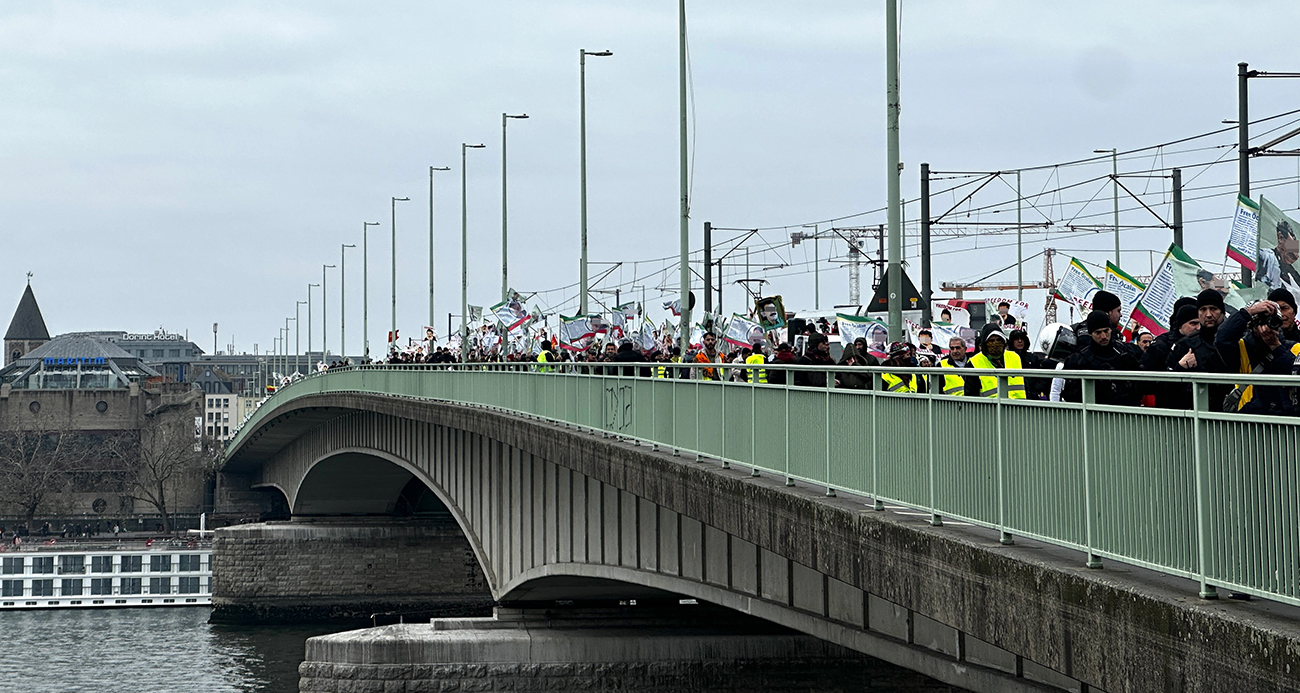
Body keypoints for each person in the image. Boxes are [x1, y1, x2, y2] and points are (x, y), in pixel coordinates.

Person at [1216, 299, 1300, 415]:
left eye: (1271, 321)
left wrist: (1276, 347)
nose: (1266, 328)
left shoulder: (1294, 348)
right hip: (1250, 418)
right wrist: (1248, 312)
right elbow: (1222, 339)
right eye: (1260, 323)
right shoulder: (1243, 348)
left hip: (1285, 419)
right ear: (1252, 325)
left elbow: (1295, 372)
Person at [1061, 310, 1141, 405]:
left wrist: (1136, 368)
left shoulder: (1125, 351)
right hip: (1096, 415)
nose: (1103, 336)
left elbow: (1145, 386)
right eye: (1098, 332)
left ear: (1111, 330)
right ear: (1091, 333)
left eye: (1106, 331)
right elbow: (1069, 396)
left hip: (1126, 413)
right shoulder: (1079, 360)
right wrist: (1095, 386)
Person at [1169, 289, 1230, 407]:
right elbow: (1168, 390)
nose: (1208, 315)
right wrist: (1180, 368)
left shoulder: (1237, 340)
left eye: (1213, 309)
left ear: (1222, 312)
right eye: (1203, 309)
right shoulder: (1185, 345)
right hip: (1196, 415)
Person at [1141, 304, 1200, 408]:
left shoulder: (1202, 342)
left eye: (1200, 323)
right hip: (1170, 408)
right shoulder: (1161, 345)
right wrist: (1178, 368)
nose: (1198, 328)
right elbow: (1146, 383)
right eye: (1193, 323)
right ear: (1181, 324)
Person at [964, 324, 1025, 398]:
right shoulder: (974, 362)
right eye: (991, 341)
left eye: (999, 340)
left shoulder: (1014, 357)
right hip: (989, 408)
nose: (995, 343)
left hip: (1018, 407)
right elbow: (970, 395)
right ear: (985, 343)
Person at [1007, 328, 1048, 400]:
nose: (1019, 341)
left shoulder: (1033, 358)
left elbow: (1040, 377)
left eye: (1022, 339)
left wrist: (1036, 390)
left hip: (1032, 396)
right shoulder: (1006, 358)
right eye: (1016, 339)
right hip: (1013, 397)